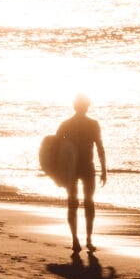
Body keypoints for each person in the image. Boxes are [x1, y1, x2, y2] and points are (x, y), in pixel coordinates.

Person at [56, 94, 107, 256]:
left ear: (75, 106)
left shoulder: (66, 125)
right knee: (88, 203)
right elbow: (100, 148)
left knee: (73, 203)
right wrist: (104, 170)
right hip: (87, 168)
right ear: (86, 107)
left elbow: (54, 149)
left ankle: (75, 240)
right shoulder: (93, 125)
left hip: (72, 169)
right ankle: (88, 240)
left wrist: (57, 171)